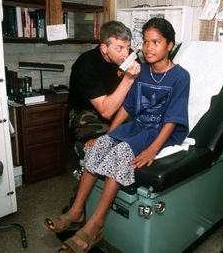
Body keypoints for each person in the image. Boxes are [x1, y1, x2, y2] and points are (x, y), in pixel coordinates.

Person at [46, 18, 191, 252]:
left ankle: (96, 223)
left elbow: (173, 119)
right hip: (139, 126)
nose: (148, 47)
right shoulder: (141, 70)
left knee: (120, 154)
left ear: (170, 46)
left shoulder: (180, 76)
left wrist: (153, 149)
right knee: (98, 148)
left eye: (156, 42)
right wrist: (108, 136)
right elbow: (127, 107)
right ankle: (76, 211)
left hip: (160, 131)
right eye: (145, 42)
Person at [67, 20, 141, 139]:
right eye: (119, 48)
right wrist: (128, 79)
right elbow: (106, 112)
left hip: (118, 108)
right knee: (104, 146)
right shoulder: (86, 63)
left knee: (141, 134)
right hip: (87, 113)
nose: (126, 54)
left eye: (128, 47)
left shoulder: (128, 56)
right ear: (104, 48)